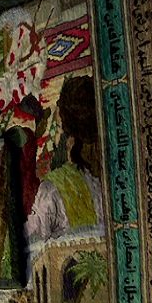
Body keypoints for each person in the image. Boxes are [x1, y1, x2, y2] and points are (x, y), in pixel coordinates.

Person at [25, 76, 103, 242]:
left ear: (70, 140)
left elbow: (28, 238)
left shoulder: (51, 192)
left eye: (58, 128)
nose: (55, 138)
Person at [0, 6, 51, 140]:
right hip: (20, 66)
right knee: (1, 84)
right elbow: (13, 59)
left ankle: (39, 116)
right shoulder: (18, 32)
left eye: (7, 26)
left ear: (12, 20)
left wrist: (14, 65)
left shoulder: (23, 29)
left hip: (32, 64)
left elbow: (20, 55)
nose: (7, 29)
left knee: (17, 85)